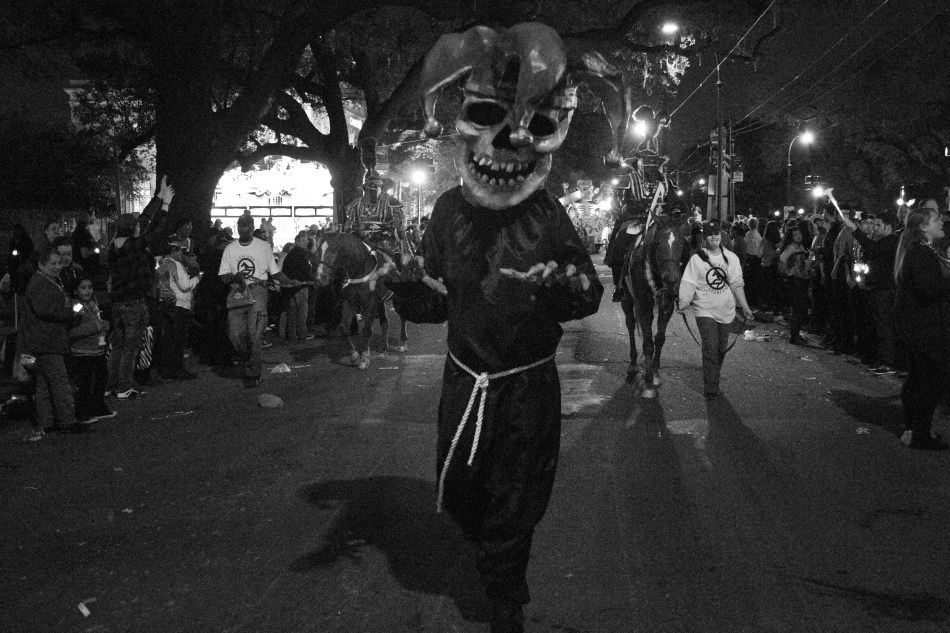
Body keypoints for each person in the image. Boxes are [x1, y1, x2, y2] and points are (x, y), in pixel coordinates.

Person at [391, 22, 610, 633]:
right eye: (488, 113)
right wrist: (404, 287)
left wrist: (566, 286)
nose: (512, 137)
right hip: (466, 384)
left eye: (537, 124)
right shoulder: (444, 213)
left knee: (517, 499)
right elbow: (436, 303)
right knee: (462, 494)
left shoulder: (550, 215)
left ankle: (504, 594)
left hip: (526, 389)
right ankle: (493, 559)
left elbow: (587, 294)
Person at [106, 177, 173, 400]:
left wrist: (158, 198)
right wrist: (164, 206)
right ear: (132, 228)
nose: (139, 225)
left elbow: (144, 221)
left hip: (116, 300)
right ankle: (124, 386)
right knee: (130, 346)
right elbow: (154, 229)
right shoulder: (133, 247)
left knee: (117, 345)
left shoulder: (115, 246)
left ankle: (112, 383)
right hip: (132, 300)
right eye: (136, 224)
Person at [892, 204, 950, 450]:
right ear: (924, 226)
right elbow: (928, 290)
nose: (941, 224)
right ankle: (920, 434)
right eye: (936, 220)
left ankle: (914, 429)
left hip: (920, 326)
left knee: (918, 379)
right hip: (925, 328)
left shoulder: (923, 251)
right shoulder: (920, 253)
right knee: (929, 382)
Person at [218, 214, 299, 387]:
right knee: (236, 335)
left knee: (255, 335)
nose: (243, 228)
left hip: (258, 292)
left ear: (252, 226)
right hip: (237, 293)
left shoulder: (263, 247)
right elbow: (223, 276)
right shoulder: (230, 249)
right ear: (237, 226)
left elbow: (275, 272)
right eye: (240, 225)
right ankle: (249, 359)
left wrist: (288, 281)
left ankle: (253, 373)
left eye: (247, 225)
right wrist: (234, 278)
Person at [678, 219, 754, 400]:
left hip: (726, 310)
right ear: (704, 237)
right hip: (704, 309)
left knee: (720, 349)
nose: (713, 237)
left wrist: (745, 306)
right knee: (710, 348)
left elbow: (737, 284)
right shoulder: (697, 259)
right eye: (710, 234)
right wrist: (683, 301)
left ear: (721, 235)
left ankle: (713, 376)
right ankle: (711, 388)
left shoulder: (731, 258)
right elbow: (688, 281)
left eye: (716, 233)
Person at [20, 247, 82, 436]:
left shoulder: (47, 279)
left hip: (45, 339)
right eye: (52, 264)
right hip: (47, 340)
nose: (57, 267)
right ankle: (67, 420)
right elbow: (45, 310)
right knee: (59, 382)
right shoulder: (40, 282)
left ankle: (46, 421)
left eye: (59, 263)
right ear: (41, 264)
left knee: (45, 384)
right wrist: (71, 313)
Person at [67, 275, 114, 423]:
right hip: (82, 351)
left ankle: (98, 407)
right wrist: (96, 327)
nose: (87, 291)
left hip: (96, 349)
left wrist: (104, 325)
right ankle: (83, 412)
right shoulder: (77, 306)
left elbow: (96, 323)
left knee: (102, 377)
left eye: (89, 287)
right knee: (85, 383)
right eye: (83, 288)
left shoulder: (92, 304)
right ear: (75, 291)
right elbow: (72, 331)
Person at [156, 241, 201, 380]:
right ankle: (176, 370)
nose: (182, 254)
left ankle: (166, 370)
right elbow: (185, 286)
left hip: (166, 304)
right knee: (178, 340)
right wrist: (197, 278)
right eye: (180, 251)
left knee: (168, 339)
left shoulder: (161, 265)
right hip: (179, 306)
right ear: (173, 251)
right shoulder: (176, 265)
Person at [279, 231, 315, 341]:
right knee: (302, 312)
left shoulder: (292, 253)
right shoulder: (301, 254)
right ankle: (302, 334)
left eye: (306, 241)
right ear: (297, 241)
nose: (305, 243)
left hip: (290, 287)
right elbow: (306, 270)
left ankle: (291, 335)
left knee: (292, 312)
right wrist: (311, 279)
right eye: (303, 241)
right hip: (300, 286)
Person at [778, 225, 810, 345]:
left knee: (801, 308)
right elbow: (782, 261)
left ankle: (796, 334)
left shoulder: (801, 246)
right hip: (795, 281)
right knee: (797, 308)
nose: (798, 236)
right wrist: (789, 271)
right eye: (795, 235)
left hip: (803, 280)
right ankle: (794, 336)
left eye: (799, 234)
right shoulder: (791, 248)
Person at [72, 212, 100, 278]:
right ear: (87, 220)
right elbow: (84, 254)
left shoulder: (76, 233)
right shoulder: (85, 234)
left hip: (79, 266)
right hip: (86, 268)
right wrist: (96, 250)